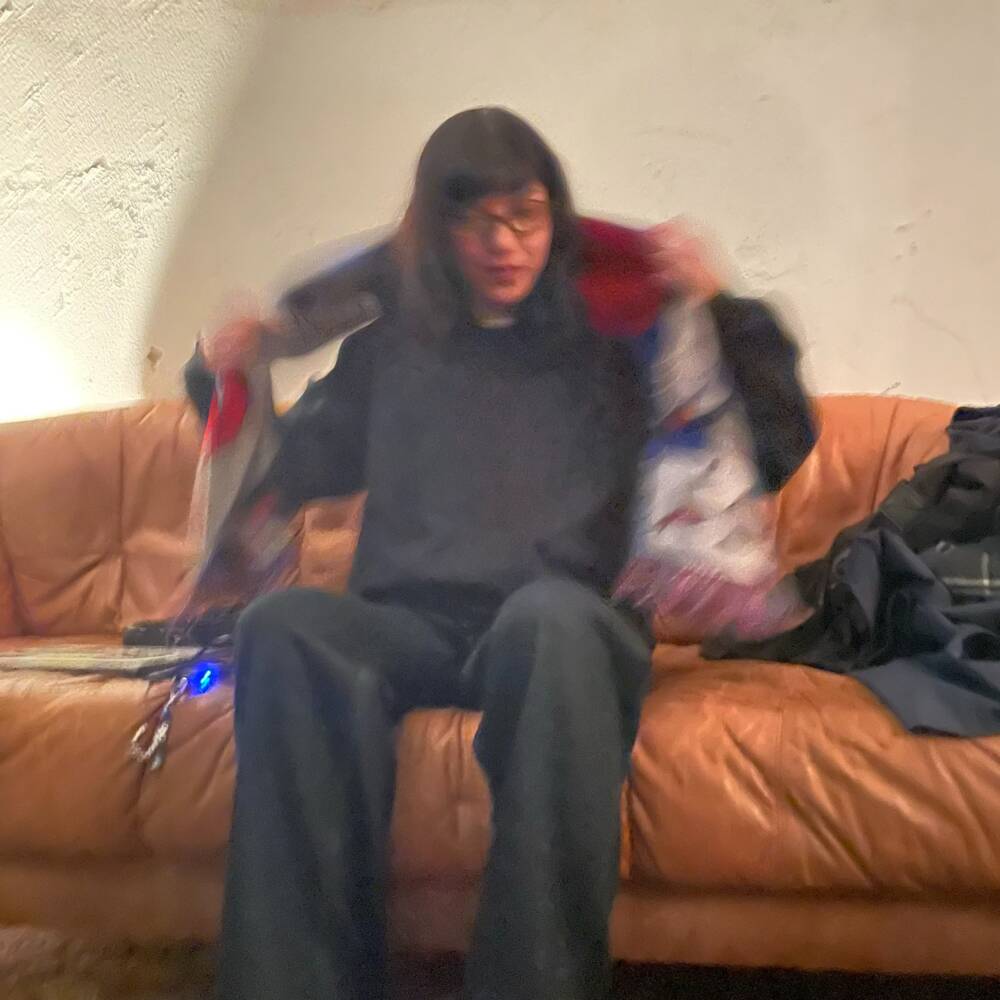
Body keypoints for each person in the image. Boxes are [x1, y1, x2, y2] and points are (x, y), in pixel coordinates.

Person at [187, 107, 815, 1000]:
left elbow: (778, 443)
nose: (504, 242)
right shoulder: (390, 349)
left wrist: (724, 308)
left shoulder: (616, 342)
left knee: (547, 621)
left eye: (524, 215)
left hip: (565, 625)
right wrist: (220, 374)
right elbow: (294, 466)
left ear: (553, 216)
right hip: (407, 623)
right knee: (285, 628)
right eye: (476, 219)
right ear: (436, 230)